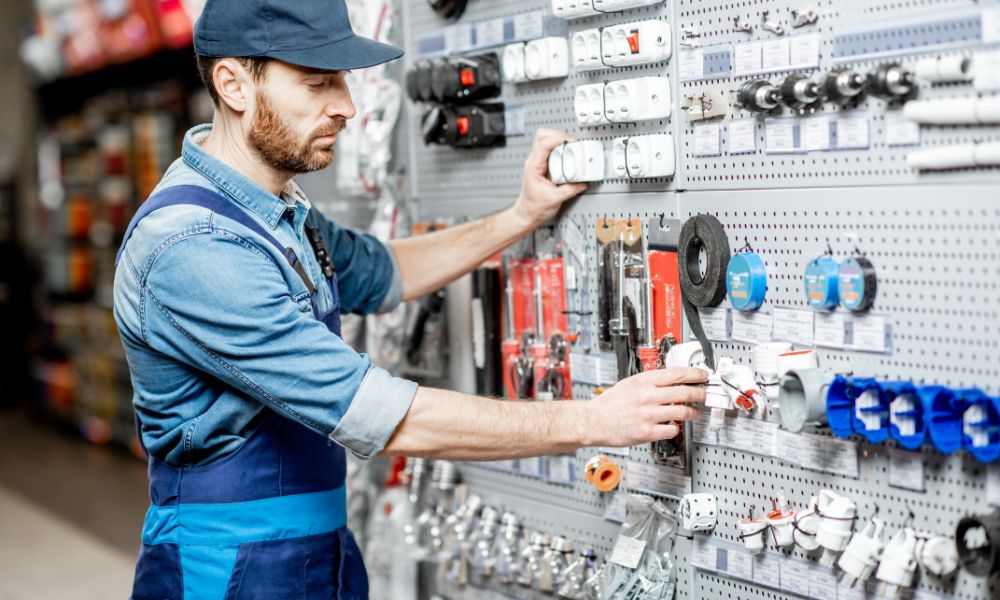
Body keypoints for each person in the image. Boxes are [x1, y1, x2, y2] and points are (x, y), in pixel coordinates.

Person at [113, 0, 707, 598]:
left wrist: (520, 217)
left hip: (319, 553)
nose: (345, 105)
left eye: (343, 80)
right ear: (234, 85)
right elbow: (380, 414)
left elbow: (384, 268)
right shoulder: (194, 246)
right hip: (226, 570)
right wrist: (594, 419)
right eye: (318, 82)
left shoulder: (274, 212)